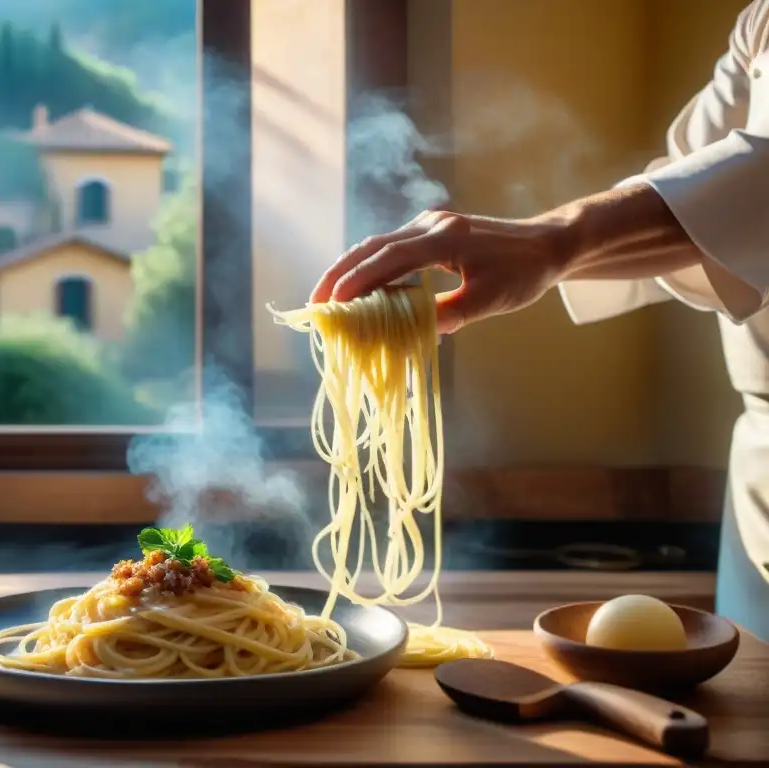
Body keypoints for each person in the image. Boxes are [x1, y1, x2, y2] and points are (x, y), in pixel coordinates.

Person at [312, 0, 769, 641]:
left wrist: (547, 242)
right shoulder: (758, 23)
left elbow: (757, 182)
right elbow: (696, 198)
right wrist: (544, 251)